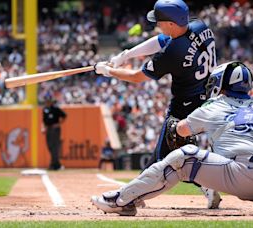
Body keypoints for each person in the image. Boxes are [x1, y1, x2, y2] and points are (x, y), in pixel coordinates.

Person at [91, 61, 253, 216]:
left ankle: (122, 201)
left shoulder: (214, 105)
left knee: (185, 157)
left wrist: (174, 124)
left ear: (220, 84)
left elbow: (180, 131)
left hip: (241, 173)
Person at [95, 0, 220, 209]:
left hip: (184, 105)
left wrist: (109, 71)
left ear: (171, 23)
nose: (157, 25)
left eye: (160, 21)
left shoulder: (173, 53)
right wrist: (126, 54)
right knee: (174, 152)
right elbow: (162, 40)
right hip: (209, 98)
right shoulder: (199, 26)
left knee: (165, 157)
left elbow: (137, 76)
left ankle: (129, 198)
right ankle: (203, 185)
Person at [42, 94, 67, 170]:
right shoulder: (45, 109)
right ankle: (56, 164)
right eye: (46, 101)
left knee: (55, 147)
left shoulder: (55, 109)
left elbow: (64, 116)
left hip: (55, 130)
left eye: (48, 101)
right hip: (48, 129)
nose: (47, 102)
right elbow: (43, 120)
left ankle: (54, 165)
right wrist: (43, 128)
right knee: (49, 146)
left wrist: (58, 124)